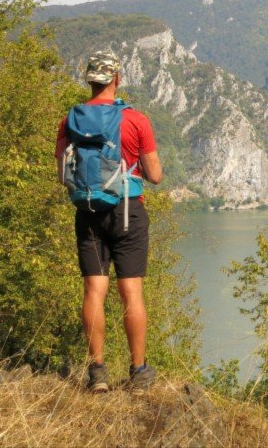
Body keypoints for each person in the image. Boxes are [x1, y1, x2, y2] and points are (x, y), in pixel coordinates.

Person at [55, 51, 163, 392]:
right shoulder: (136, 120)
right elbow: (156, 175)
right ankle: (139, 372)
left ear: (90, 80)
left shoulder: (70, 120)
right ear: (117, 79)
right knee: (130, 291)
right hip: (128, 210)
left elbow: (62, 174)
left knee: (94, 290)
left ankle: (97, 374)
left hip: (88, 210)